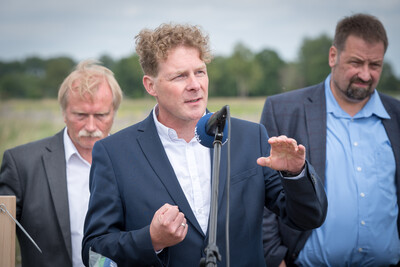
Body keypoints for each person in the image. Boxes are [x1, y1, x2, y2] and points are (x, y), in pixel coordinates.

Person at [81, 23, 327, 267]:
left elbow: (307, 218)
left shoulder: (251, 137)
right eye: (180, 76)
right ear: (150, 85)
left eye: (199, 72)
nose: (195, 85)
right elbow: (94, 252)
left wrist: (295, 174)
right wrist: (151, 239)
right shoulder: (114, 153)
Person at [261, 13, 400, 267]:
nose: (366, 75)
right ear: (333, 56)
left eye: (375, 65)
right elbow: (262, 194)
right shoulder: (283, 109)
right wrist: (275, 258)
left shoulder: (397, 116)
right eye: (356, 62)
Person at [0, 59, 123, 267]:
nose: (91, 126)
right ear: (64, 113)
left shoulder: (135, 158)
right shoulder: (22, 164)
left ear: (114, 112)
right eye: (80, 115)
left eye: (101, 115)